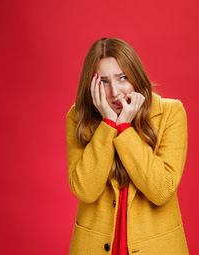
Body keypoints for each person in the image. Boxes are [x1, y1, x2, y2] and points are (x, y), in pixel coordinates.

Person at [65, 37, 189, 254]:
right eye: (103, 81)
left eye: (123, 78)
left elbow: (162, 190)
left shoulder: (170, 113)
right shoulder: (79, 117)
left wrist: (124, 128)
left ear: (136, 76)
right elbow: (85, 190)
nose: (115, 92)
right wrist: (108, 124)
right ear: (91, 84)